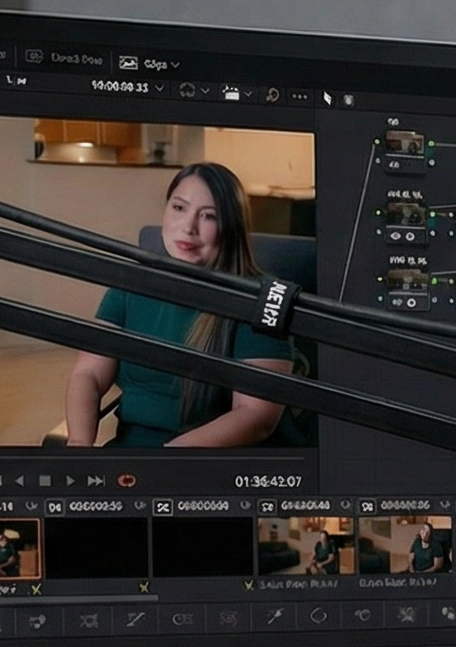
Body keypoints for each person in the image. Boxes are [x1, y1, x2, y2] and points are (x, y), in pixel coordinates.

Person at [64, 162, 293, 447]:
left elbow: (256, 417)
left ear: (231, 226)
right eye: (179, 208)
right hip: (131, 454)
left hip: (209, 465)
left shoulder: (264, 299)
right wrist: (78, 444)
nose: (188, 227)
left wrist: (165, 462)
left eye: (208, 216)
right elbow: (88, 374)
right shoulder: (133, 280)